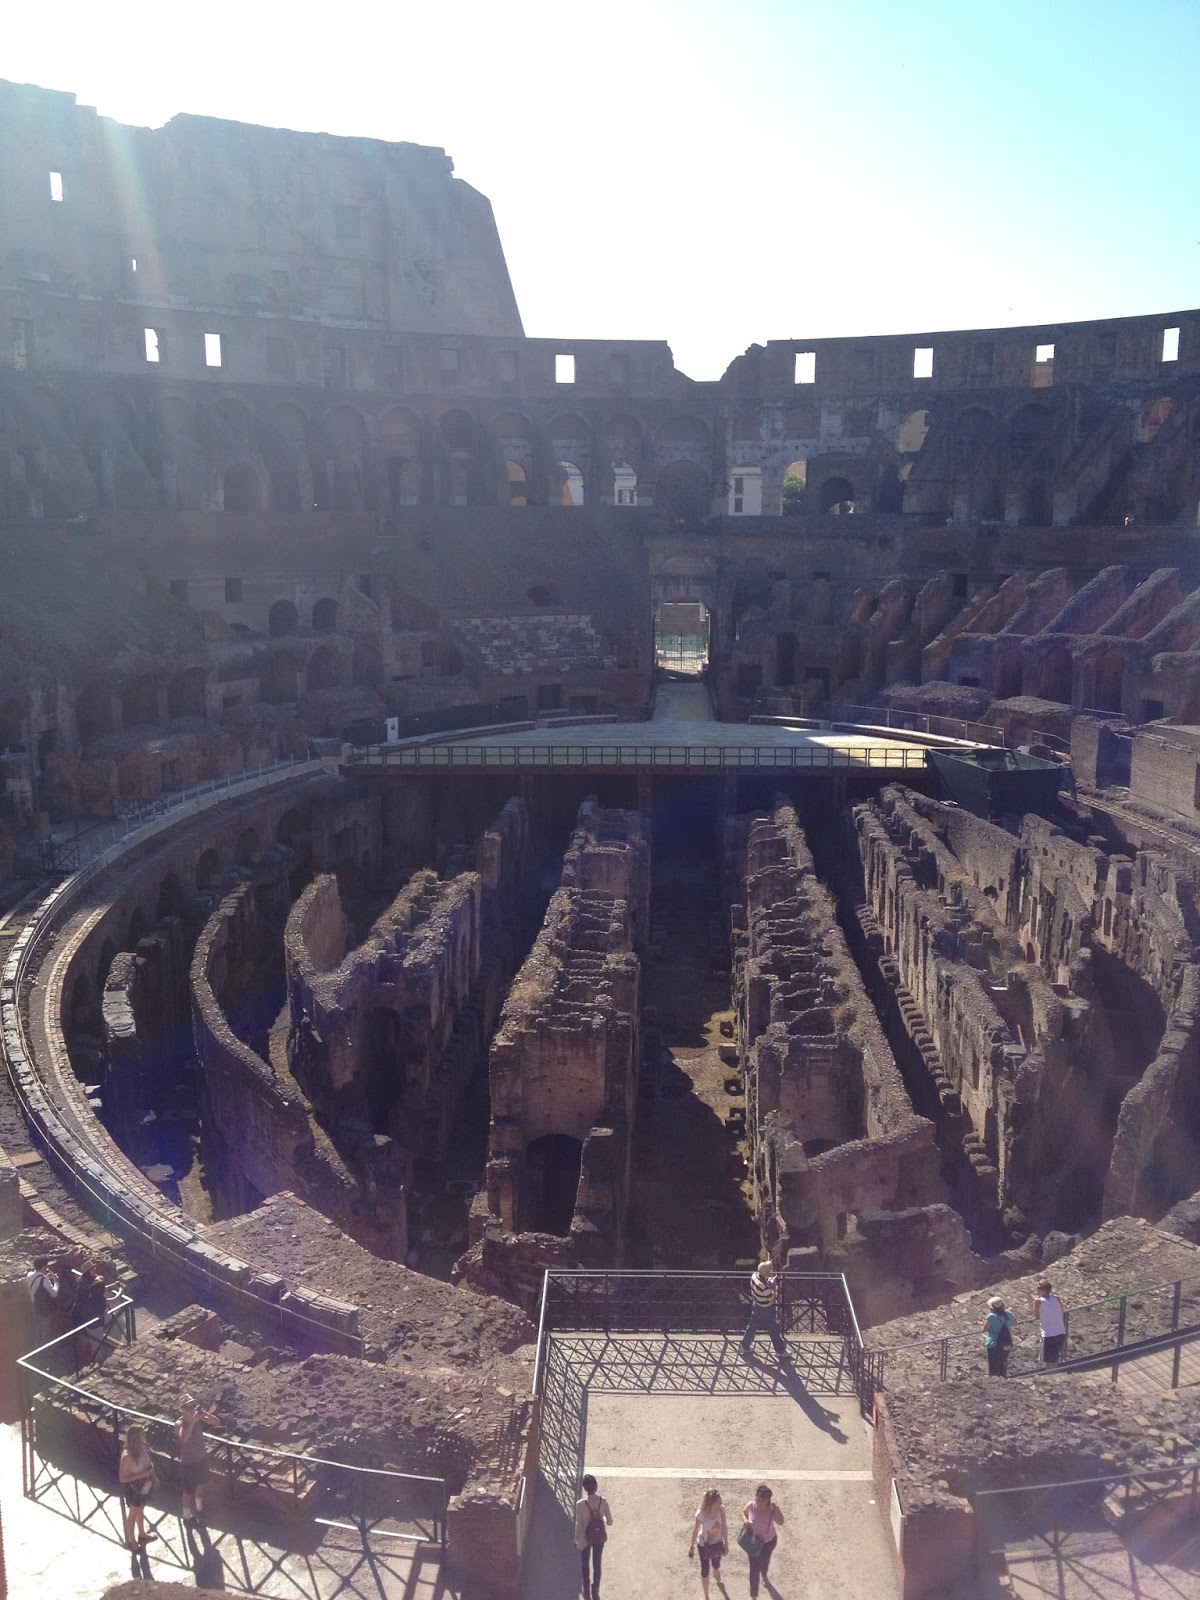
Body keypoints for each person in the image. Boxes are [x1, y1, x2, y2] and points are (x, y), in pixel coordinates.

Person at [176, 1394, 220, 1522]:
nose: (192, 1408)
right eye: (188, 1406)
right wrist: (192, 1421)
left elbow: (217, 1423)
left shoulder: (198, 1418)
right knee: (188, 1490)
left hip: (201, 1458)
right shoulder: (179, 1423)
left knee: (202, 1483)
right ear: (182, 1409)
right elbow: (183, 1439)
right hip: (189, 1462)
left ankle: (199, 1508)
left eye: (193, 1406)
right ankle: (186, 1515)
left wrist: (205, 1414)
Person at [119, 1424, 158, 1551]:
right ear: (136, 1437)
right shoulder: (127, 1456)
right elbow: (122, 1478)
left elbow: (148, 1464)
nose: (144, 1436)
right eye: (142, 1434)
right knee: (133, 1515)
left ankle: (142, 1533)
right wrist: (143, 1475)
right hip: (134, 1489)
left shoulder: (141, 1448)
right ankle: (132, 1541)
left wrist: (153, 1477)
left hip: (145, 1485)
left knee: (140, 1510)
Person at [740, 1483, 783, 1597]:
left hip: (768, 1543)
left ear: (767, 1501)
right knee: (754, 1570)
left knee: (765, 1562)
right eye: (757, 1499)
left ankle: (764, 1574)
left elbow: (781, 1522)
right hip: (753, 1542)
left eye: (760, 1500)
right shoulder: (751, 1505)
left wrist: (777, 1509)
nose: (757, 1502)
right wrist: (745, 1520)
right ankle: (753, 1595)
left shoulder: (771, 1511)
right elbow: (743, 1512)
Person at [574, 1472, 612, 1600]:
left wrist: (576, 1539)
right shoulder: (603, 1501)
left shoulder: (580, 1504)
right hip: (599, 1537)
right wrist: (603, 1519)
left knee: (585, 1565)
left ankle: (586, 1592)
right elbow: (610, 1521)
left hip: (585, 1538)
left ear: (584, 1488)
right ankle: (595, 1591)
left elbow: (579, 1524)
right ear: (596, 1486)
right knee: (597, 1564)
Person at [741, 1259, 787, 1361]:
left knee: (752, 1327)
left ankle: (744, 1346)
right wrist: (774, 1287)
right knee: (773, 1329)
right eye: (769, 1269)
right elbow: (772, 1299)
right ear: (765, 1272)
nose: (770, 1271)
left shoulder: (754, 1276)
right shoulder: (764, 1288)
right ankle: (780, 1351)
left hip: (756, 1305)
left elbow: (764, 1282)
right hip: (765, 1308)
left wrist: (770, 1281)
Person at [688, 1487, 728, 1597]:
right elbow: (696, 1529)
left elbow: (724, 1526)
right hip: (704, 1545)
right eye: (718, 1502)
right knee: (705, 1570)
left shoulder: (721, 1510)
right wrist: (691, 1546)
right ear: (711, 1504)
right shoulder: (701, 1513)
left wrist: (726, 1543)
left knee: (716, 1564)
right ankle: (706, 1596)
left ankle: (716, 1569)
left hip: (717, 1543)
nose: (720, 1504)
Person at [1033, 1280, 1067, 1364]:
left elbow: (1036, 1315)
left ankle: (1051, 1372)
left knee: (1048, 1360)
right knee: (1055, 1358)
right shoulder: (1056, 1298)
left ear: (1043, 1290)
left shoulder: (1038, 1301)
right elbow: (1061, 1311)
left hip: (1048, 1334)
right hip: (1060, 1331)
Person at [983, 1295, 1014, 1377]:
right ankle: (1003, 1377)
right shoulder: (1008, 1314)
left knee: (993, 1364)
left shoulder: (991, 1316)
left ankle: (995, 1379)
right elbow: (1015, 1322)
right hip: (1006, 1342)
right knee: (1003, 1361)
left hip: (993, 1342)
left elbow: (985, 1328)